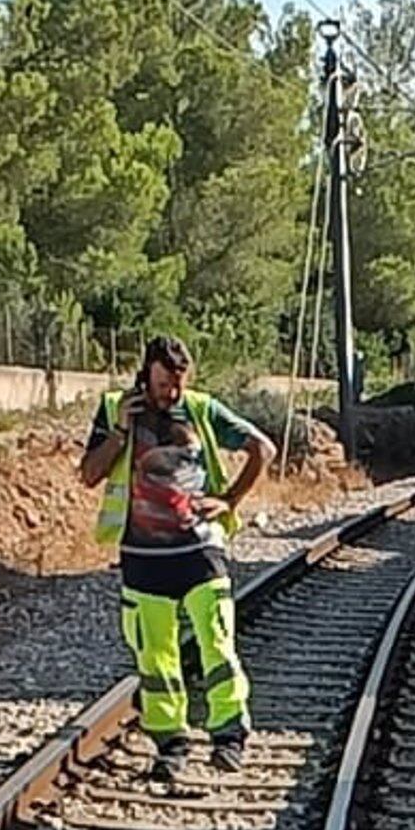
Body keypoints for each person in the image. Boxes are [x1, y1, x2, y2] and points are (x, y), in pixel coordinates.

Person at [79, 335, 275, 781]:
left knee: (216, 639)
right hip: (143, 556)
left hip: (199, 549)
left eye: (179, 382)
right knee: (156, 656)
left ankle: (229, 736)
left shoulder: (202, 409)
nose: (172, 392)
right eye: (165, 382)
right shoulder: (114, 409)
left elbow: (262, 448)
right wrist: (120, 434)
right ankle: (171, 742)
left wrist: (229, 500)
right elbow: (89, 474)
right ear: (145, 373)